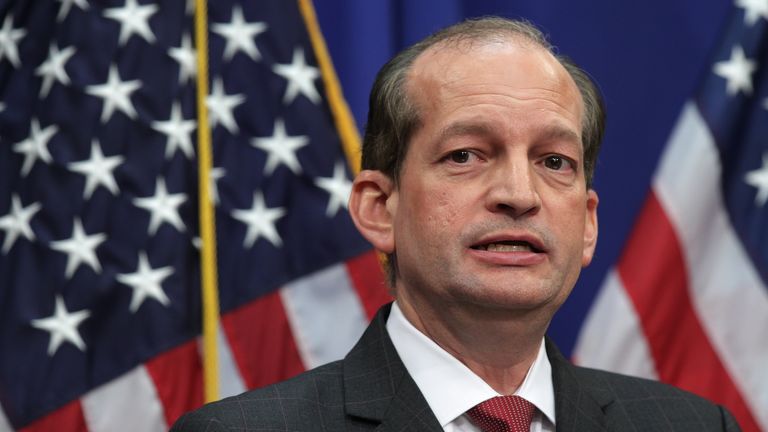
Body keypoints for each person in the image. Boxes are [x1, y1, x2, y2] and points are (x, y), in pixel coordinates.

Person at [172, 17, 740, 431]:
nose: (520, 196)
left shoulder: (693, 425)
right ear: (378, 207)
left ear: (588, 224)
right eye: (465, 155)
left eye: (553, 162)